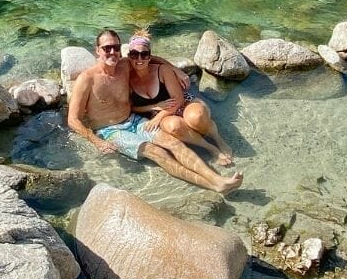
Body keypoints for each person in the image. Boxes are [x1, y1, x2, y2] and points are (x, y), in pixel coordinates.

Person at [67, 28, 243, 195]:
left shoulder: (124, 66)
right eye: (107, 48)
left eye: (116, 47)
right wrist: (96, 141)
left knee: (174, 143)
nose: (112, 52)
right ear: (97, 50)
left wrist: (175, 70)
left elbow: (151, 58)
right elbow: (73, 120)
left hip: (133, 120)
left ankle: (217, 179)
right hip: (109, 131)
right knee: (158, 153)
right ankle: (213, 185)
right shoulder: (87, 79)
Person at [125, 31, 235, 166]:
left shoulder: (162, 70)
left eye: (144, 54)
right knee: (174, 127)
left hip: (183, 103)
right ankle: (210, 148)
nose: (139, 59)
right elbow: (131, 108)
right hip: (159, 113)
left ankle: (218, 138)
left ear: (150, 57)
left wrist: (158, 118)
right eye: (134, 54)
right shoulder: (127, 78)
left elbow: (179, 99)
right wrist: (155, 107)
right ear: (129, 56)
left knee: (197, 118)